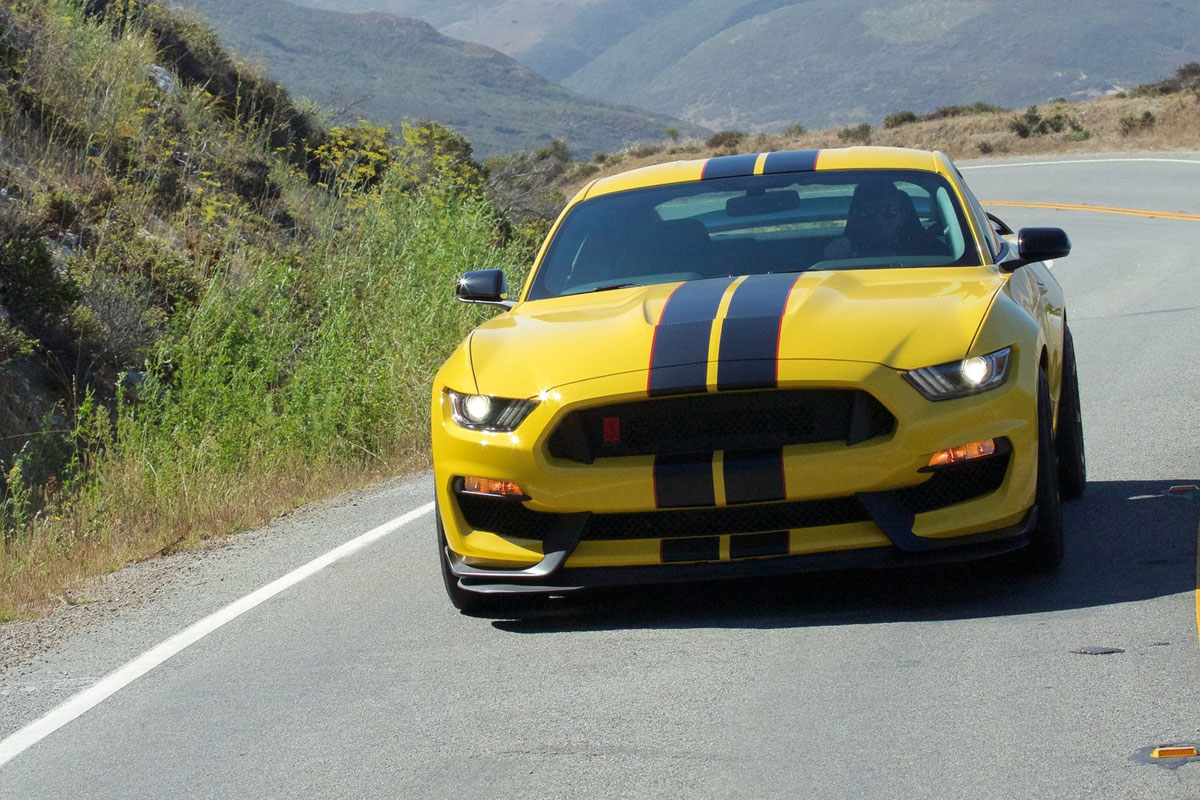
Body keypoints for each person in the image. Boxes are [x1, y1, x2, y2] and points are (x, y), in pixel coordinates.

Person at [823, 178, 947, 260]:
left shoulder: (933, 253)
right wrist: (835, 259)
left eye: (889, 211)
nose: (879, 221)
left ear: (902, 216)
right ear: (857, 219)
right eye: (868, 213)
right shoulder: (842, 253)